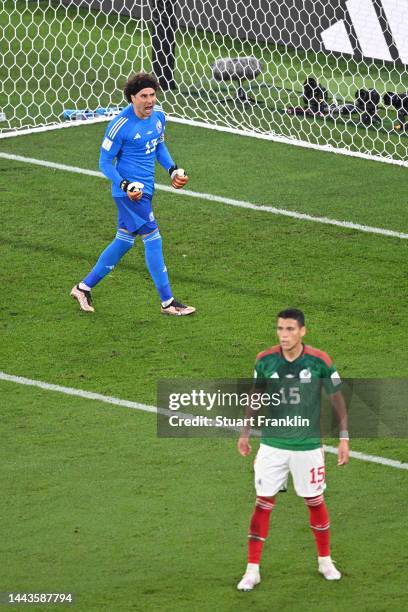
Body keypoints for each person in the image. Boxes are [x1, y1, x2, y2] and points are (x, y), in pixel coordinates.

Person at [237, 308, 349, 591]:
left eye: (289, 329)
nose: (283, 335)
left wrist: (344, 438)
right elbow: (256, 395)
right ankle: (252, 570)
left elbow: (337, 398)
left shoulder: (319, 361)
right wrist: (245, 432)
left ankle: (325, 561)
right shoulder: (265, 360)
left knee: (314, 501)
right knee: (262, 503)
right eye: (280, 329)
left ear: (302, 331)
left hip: (308, 447)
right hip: (272, 446)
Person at [71, 71, 195, 316]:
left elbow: (158, 145)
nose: (150, 101)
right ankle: (168, 302)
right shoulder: (119, 126)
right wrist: (125, 185)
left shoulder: (159, 116)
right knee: (153, 238)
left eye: (152, 95)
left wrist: (171, 169)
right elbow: (105, 163)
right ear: (131, 98)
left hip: (147, 189)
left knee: (124, 240)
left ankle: (83, 288)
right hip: (128, 194)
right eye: (143, 96)